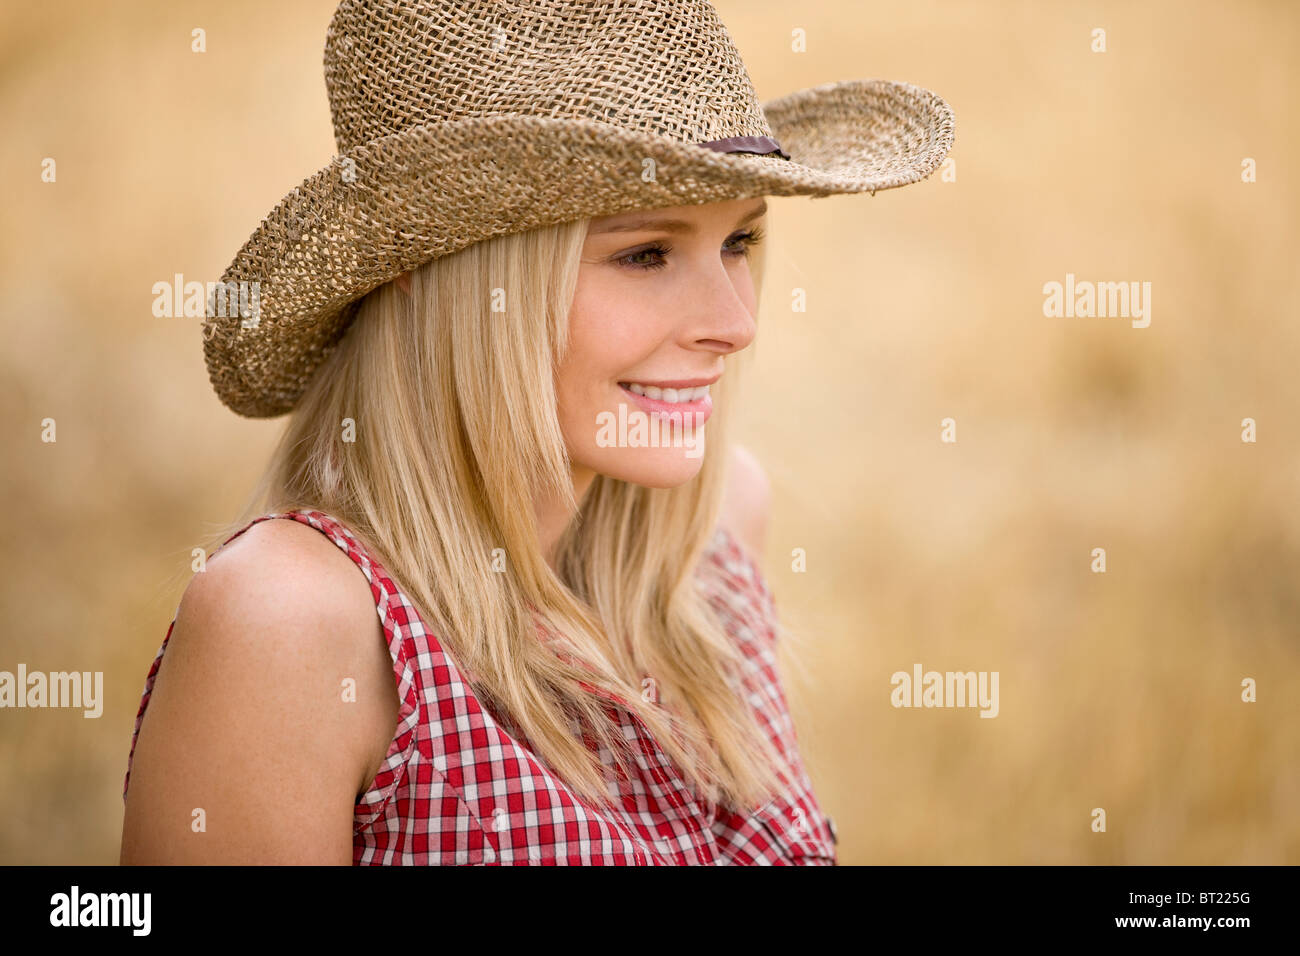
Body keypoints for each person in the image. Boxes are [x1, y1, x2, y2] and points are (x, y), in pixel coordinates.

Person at [120, 0, 954, 865]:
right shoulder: (293, 626)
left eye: (738, 241)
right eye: (646, 255)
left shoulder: (712, 534)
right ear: (433, 274)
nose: (733, 322)